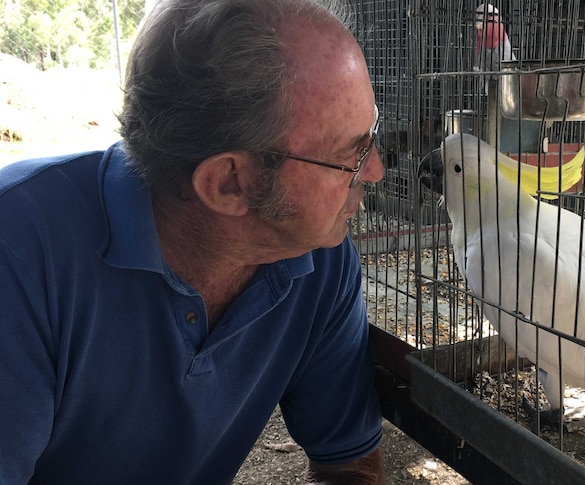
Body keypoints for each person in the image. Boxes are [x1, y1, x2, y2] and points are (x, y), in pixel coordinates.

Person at [0, 0, 386, 483]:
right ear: (227, 183)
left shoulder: (314, 256)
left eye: (371, 136)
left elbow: (348, 466)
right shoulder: (17, 254)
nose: (375, 170)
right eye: (350, 155)